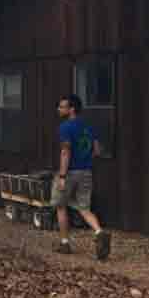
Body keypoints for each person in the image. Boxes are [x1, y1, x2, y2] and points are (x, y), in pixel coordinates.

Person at [53, 94, 111, 259]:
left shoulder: (65, 127)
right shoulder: (88, 126)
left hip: (70, 172)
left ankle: (64, 243)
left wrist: (62, 176)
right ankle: (99, 232)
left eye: (62, 107)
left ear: (71, 109)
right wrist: (85, 160)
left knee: (61, 205)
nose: (59, 109)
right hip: (86, 171)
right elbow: (97, 150)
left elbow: (65, 151)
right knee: (84, 208)